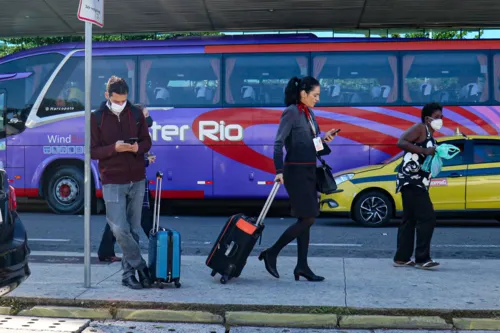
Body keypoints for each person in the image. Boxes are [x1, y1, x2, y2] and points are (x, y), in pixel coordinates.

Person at [259, 76, 338, 282]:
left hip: (310, 170)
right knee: (310, 217)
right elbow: (278, 143)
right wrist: (278, 170)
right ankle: (272, 252)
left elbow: (313, 144)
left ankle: (302, 266)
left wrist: (324, 139)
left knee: (305, 219)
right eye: (315, 95)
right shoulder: (291, 112)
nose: (318, 99)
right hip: (295, 172)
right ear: (303, 94)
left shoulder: (310, 114)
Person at [91, 76, 153, 289]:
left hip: (137, 178)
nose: (121, 104)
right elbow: (92, 151)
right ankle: (142, 267)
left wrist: (137, 148)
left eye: (124, 100)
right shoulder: (96, 118)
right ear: (107, 96)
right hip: (112, 179)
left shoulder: (135, 114)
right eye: (117, 100)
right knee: (119, 229)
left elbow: (147, 141)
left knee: (134, 230)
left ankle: (128, 276)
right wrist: (113, 148)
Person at [97, 104, 154, 263]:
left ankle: (106, 250)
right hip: (129, 182)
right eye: (145, 115)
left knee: (120, 218)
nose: (148, 120)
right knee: (142, 217)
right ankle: (159, 246)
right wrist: (144, 160)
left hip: (132, 180)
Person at [393, 102, 443, 270]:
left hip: (416, 181)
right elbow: (401, 142)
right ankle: (422, 258)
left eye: (441, 117)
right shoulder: (420, 128)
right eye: (437, 117)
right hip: (412, 181)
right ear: (428, 118)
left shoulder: (430, 134)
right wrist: (424, 151)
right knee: (427, 218)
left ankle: (402, 257)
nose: (440, 120)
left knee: (410, 219)